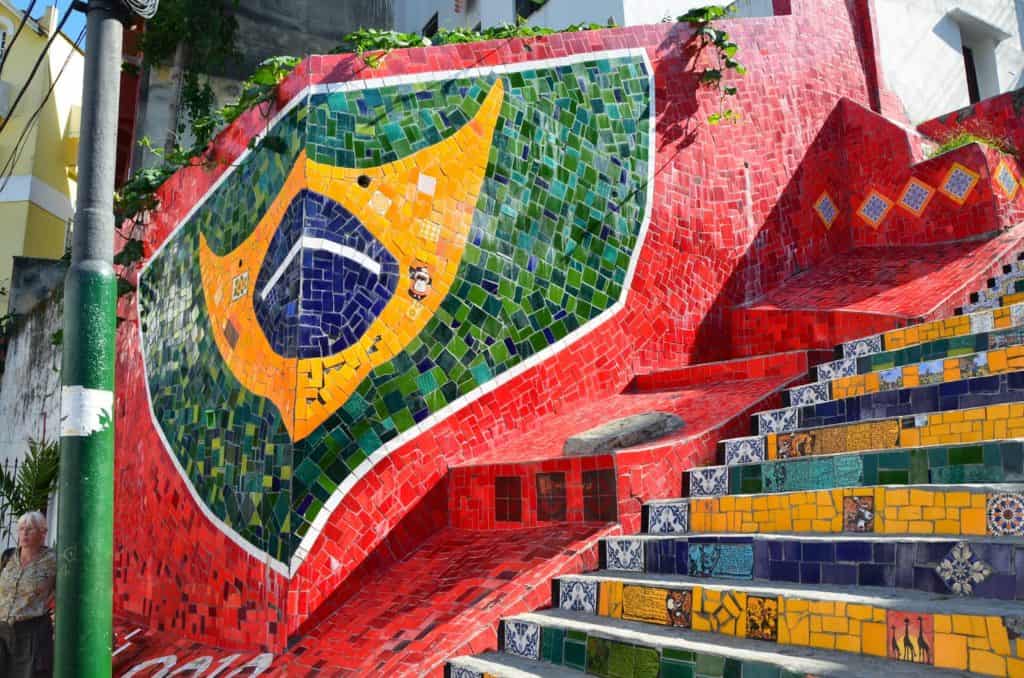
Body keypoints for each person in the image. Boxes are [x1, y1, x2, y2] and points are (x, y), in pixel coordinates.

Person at [0, 511, 56, 677]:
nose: (24, 533)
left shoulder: (53, 561)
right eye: (22, 529)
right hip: (2, 630)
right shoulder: (8, 556)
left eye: (30, 529)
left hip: (30, 634)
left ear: (43, 533)